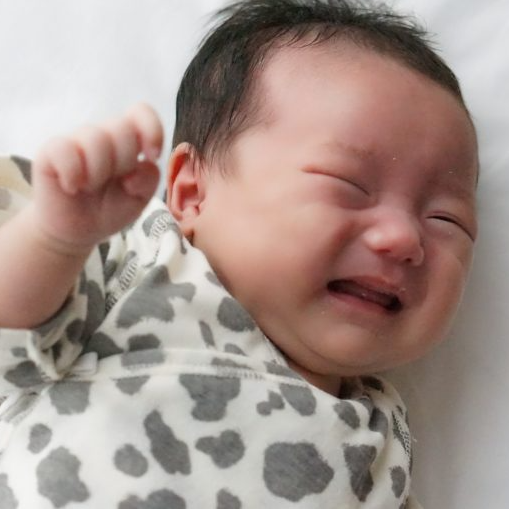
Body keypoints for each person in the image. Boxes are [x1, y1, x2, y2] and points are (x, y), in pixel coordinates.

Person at [0, 0, 477, 507]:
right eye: (348, 184)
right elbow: (13, 335)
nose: (403, 238)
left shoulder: (382, 440)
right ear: (192, 193)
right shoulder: (142, 265)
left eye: (445, 219)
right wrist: (56, 238)